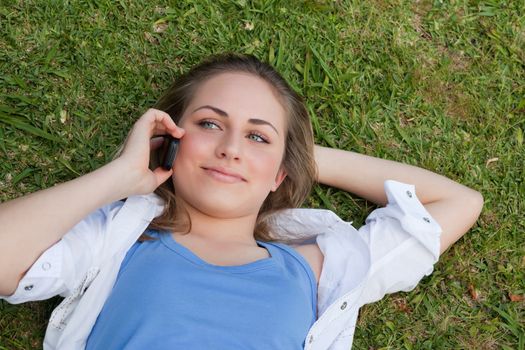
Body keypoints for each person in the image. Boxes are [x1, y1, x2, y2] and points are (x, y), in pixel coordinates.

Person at [0, 53, 483, 350]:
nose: (231, 147)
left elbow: (457, 202)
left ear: (282, 174)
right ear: (170, 136)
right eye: (210, 124)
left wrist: (293, 156)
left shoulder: (317, 268)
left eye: (256, 136)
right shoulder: (117, 242)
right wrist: (120, 176)